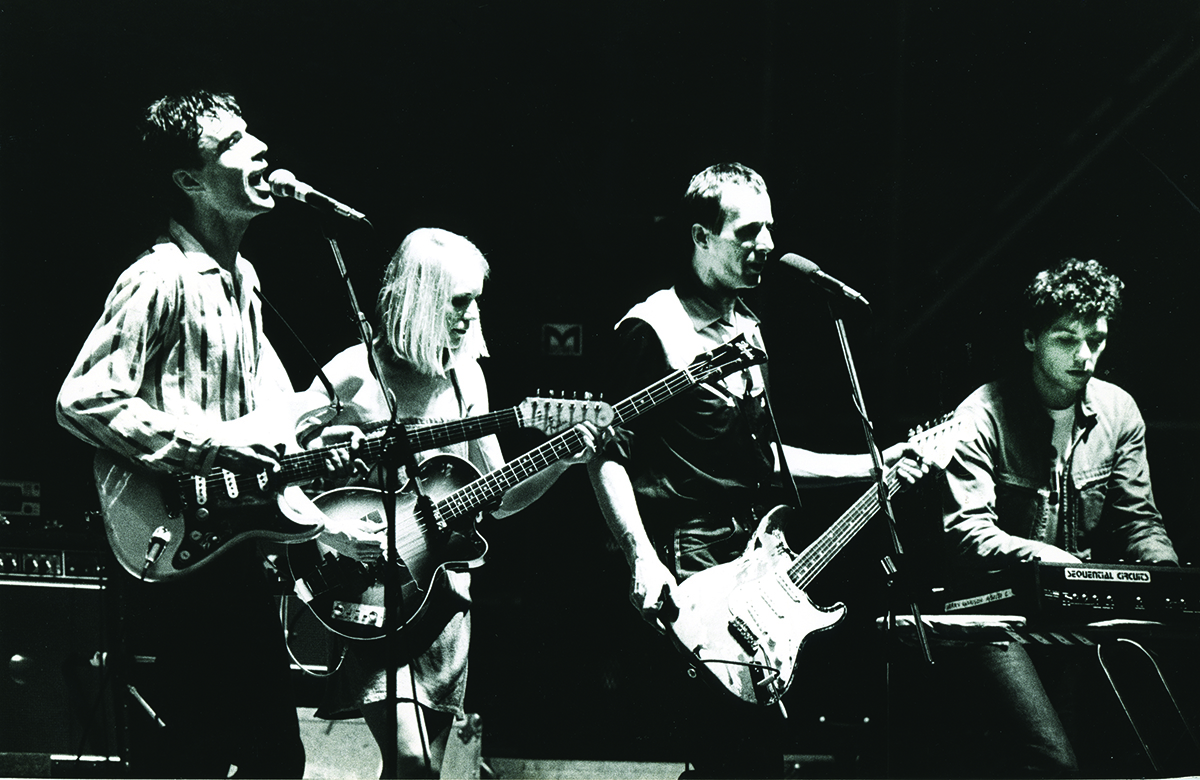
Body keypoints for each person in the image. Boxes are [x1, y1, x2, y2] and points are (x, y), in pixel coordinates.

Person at [586, 162, 929, 779]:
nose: (765, 246)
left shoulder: (749, 327)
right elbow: (606, 453)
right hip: (687, 556)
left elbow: (762, 461)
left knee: (753, 754)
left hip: (754, 554)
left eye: (769, 229)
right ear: (700, 238)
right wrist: (640, 554)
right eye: (746, 232)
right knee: (728, 745)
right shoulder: (651, 330)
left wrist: (874, 466)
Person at [55, 89, 359, 777]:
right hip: (172, 542)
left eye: (253, 135)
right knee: (201, 758)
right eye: (231, 144)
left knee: (271, 760)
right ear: (189, 181)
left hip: (230, 549)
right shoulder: (158, 276)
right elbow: (83, 398)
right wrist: (209, 444)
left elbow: (275, 417)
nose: (258, 150)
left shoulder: (242, 279)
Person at [303, 227, 600, 778]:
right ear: (418, 297)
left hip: (443, 599)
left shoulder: (466, 379)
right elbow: (281, 469)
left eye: (475, 302)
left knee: (421, 774)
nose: (469, 316)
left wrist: (560, 460)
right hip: (369, 591)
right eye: (458, 301)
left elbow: (499, 498)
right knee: (411, 762)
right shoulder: (352, 373)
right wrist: (327, 528)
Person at [936, 257, 1180, 777]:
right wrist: (1048, 557)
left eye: (1096, 339)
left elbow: (1139, 521)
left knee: (1142, 748)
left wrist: (1170, 581)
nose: (1085, 355)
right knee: (1053, 763)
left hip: (1078, 611)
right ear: (1029, 338)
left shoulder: (1118, 411)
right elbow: (966, 533)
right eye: (1066, 339)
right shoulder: (981, 413)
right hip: (994, 616)